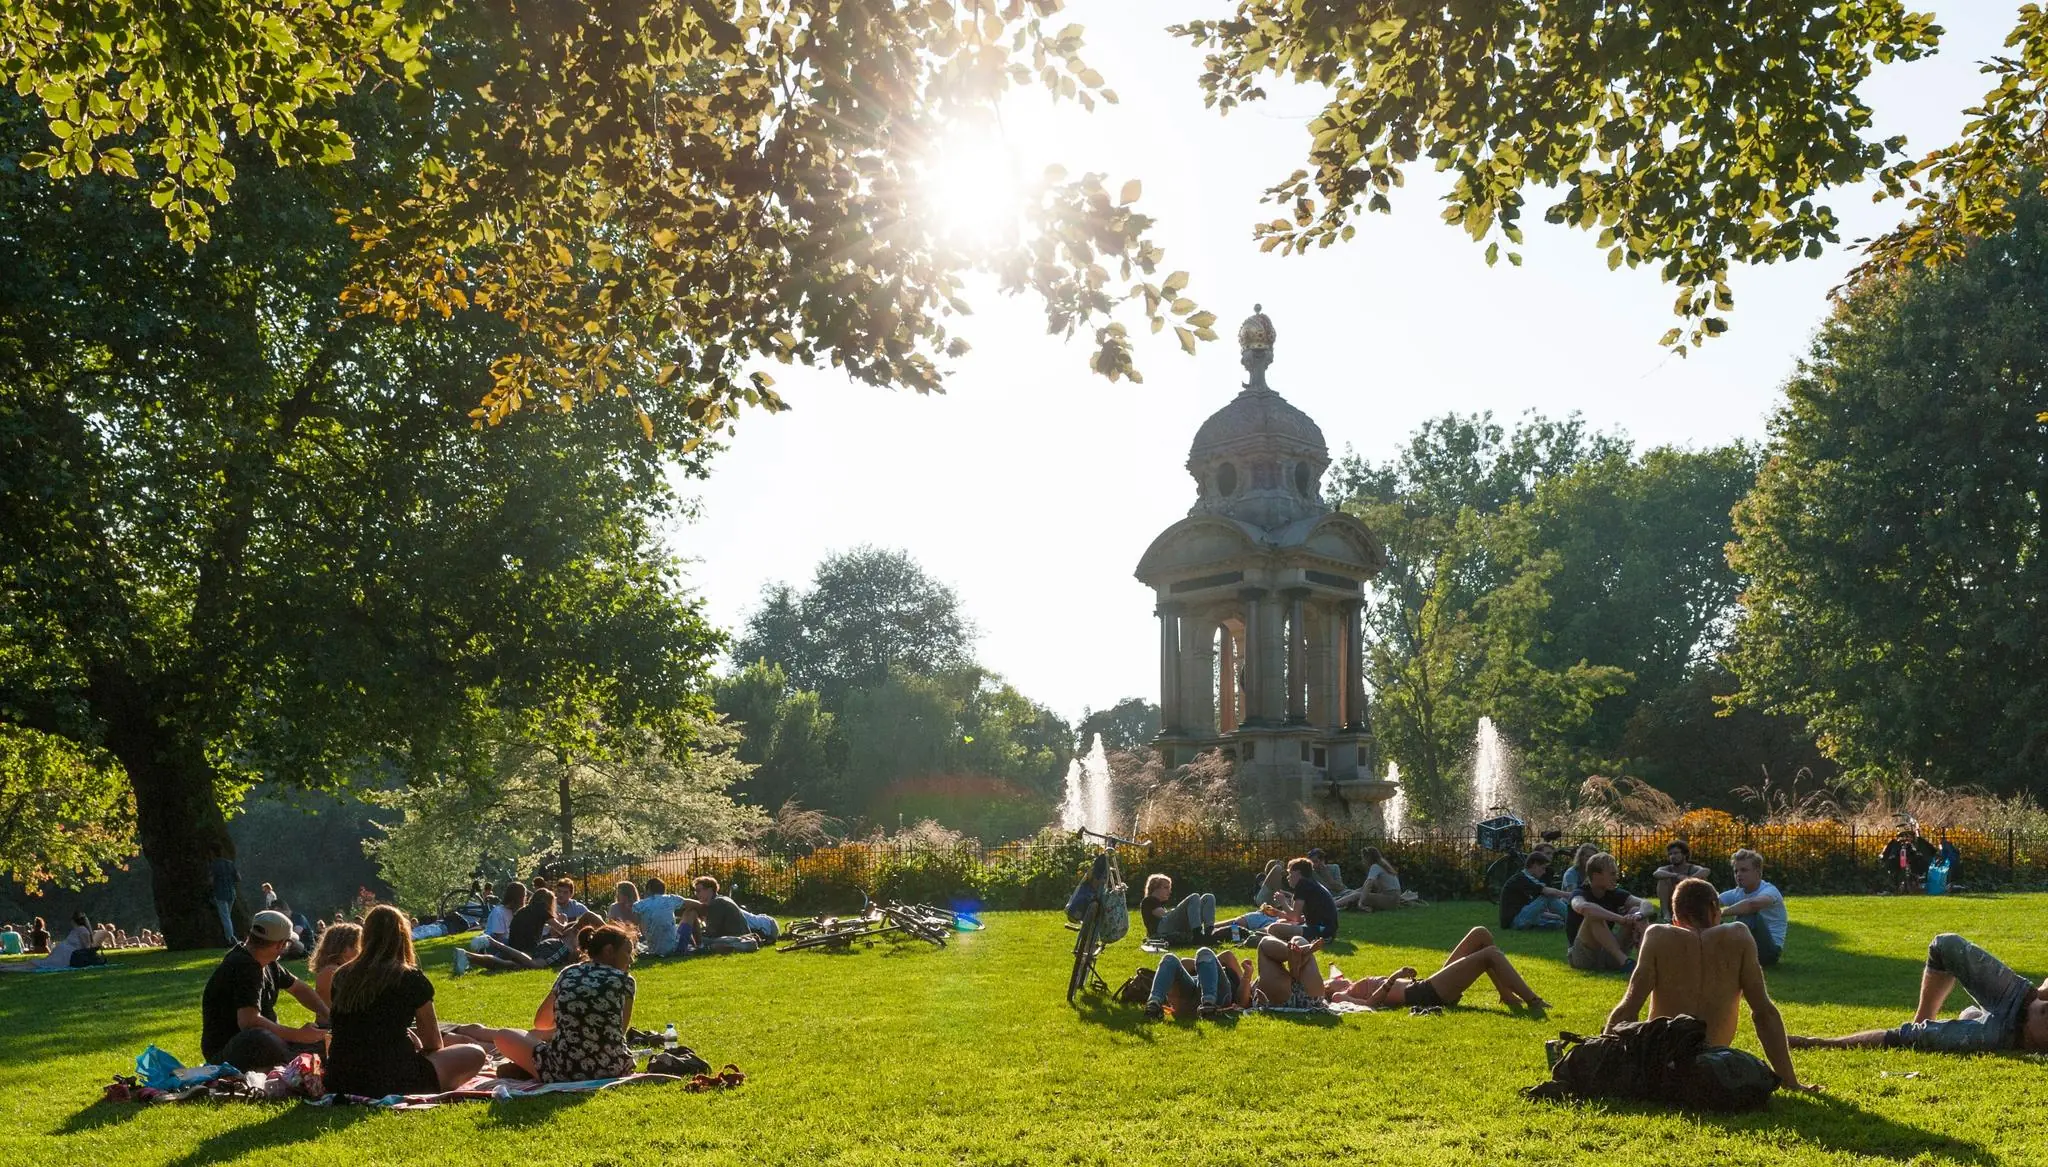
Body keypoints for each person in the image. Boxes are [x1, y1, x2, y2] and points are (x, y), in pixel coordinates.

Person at [1607, 878, 1814, 1090]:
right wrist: (1791, 1082)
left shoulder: (1658, 935)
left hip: (1662, 1066)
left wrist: (1602, 1063)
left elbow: (1629, 1007)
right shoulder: (1738, 935)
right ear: (1715, 909)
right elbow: (1764, 1012)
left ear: (1676, 918)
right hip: (1714, 1070)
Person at [1788, 932, 2048, 1055]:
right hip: (2020, 996)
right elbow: (2044, 992)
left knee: (1913, 1037)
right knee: (1946, 944)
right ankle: (1925, 1015)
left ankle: (1821, 1042)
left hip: (2009, 1037)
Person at [326, 905, 486, 1096]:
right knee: (474, 1052)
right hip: (394, 1079)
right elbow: (433, 1043)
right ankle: (438, 1083)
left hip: (340, 1078)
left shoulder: (342, 976)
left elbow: (360, 1023)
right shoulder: (409, 978)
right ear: (403, 936)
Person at [483, 923, 640, 1082]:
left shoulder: (569, 973)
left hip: (562, 1070)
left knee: (504, 1035)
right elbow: (620, 1031)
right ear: (609, 951)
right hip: (611, 1068)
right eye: (628, 952)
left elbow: (541, 1023)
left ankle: (531, 1068)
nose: (631, 959)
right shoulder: (625, 981)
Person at [198, 910, 328, 1068]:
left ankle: (307, 1056)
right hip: (230, 1052)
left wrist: (328, 1013)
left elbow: (299, 988)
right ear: (280, 945)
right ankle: (300, 1062)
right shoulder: (244, 966)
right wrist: (299, 1035)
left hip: (267, 1043)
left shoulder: (266, 961)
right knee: (259, 1037)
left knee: (319, 1039)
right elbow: (249, 1021)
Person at [1326, 926, 1549, 1011]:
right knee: (1490, 955)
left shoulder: (1343, 982)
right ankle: (1533, 1001)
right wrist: (1393, 977)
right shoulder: (1338, 995)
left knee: (1480, 934)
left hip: (1426, 983)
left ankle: (1506, 995)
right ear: (1326, 989)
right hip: (1425, 994)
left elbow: (1334, 972)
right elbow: (1369, 1004)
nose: (1340, 978)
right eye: (1327, 981)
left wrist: (1332, 965)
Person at [458, 886, 577, 972]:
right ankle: (470, 956)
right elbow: (561, 929)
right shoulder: (542, 910)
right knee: (516, 965)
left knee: (507, 964)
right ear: (548, 903)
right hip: (527, 948)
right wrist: (565, 920)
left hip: (513, 944)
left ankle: (469, 957)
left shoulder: (524, 910)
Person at [1567, 853, 1649, 972]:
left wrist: (1638, 916)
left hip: (1608, 954)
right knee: (1594, 914)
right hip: (1583, 957)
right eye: (1612, 874)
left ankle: (1644, 961)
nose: (1616, 877)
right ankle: (1625, 962)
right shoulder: (1579, 893)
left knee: (1636, 911)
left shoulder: (1615, 893)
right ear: (1596, 875)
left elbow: (1646, 904)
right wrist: (1620, 919)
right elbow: (1584, 907)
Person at [1137, 946, 1254, 1018]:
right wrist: (1204, 966)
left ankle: (1209, 1004)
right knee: (1169, 958)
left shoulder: (1230, 965)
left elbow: (1243, 1002)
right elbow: (1183, 963)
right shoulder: (1224, 959)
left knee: (1204, 952)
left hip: (1218, 996)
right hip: (1195, 989)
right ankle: (1153, 1003)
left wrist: (1247, 976)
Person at [1719, 848, 1788, 967]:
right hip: (1749, 949)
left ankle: (1730, 956)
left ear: (1758, 873)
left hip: (1768, 952)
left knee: (1750, 914)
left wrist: (1720, 913)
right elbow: (1712, 901)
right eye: (1736, 871)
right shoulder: (1737, 892)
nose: (1739, 874)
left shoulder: (1770, 891)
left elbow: (1752, 905)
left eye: (1744, 870)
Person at [1264, 857, 1339, 942]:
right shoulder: (1310, 883)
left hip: (1322, 930)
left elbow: (1295, 917)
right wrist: (1279, 913)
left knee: (1273, 928)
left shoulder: (1302, 884)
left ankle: (1278, 941)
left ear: (1298, 873)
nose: (1288, 877)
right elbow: (1299, 918)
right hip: (1326, 929)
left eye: (1290, 873)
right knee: (1281, 922)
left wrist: (1282, 902)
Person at [0, 912, 98, 972]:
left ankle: (6, 966)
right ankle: (7, 967)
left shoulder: (76, 930)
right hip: (67, 953)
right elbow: (87, 947)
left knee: (39, 964)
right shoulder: (83, 930)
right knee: (41, 966)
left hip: (62, 949)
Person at [1499, 851, 1571, 930]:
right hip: (1516, 921)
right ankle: (1574, 919)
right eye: (1543, 868)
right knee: (1547, 895)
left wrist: (1555, 916)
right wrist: (1569, 894)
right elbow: (1547, 892)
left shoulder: (1525, 878)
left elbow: (1536, 908)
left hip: (1518, 920)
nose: (1544, 872)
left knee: (1558, 924)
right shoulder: (1522, 878)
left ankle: (1569, 920)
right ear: (1535, 865)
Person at [1138, 874, 1215, 946]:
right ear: (1155, 888)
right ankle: (1197, 934)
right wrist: (1182, 910)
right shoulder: (1149, 900)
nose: (1169, 891)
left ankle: (1208, 933)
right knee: (1194, 897)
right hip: (1160, 929)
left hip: (1169, 927)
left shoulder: (1159, 904)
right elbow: (1163, 915)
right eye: (1166, 888)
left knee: (1208, 897)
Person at [631, 877, 692, 957]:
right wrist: (704, 906)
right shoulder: (669, 899)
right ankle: (699, 945)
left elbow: (634, 926)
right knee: (691, 912)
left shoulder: (639, 905)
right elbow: (696, 904)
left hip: (653, 948)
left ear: (648, 890)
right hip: (673, 947)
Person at [1650, 841, 1711, 922]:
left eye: (1675, 853)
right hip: (1671, 901)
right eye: (1670, 854)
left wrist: (1689, 879)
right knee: (1662, 881)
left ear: (1685, 854)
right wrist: (1676, 876)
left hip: (1689, 900)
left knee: (1702, 880)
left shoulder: (1692, 868)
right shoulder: (1667, 869)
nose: (1672, 856)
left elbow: (1706, 871)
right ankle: (1666, 914)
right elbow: (1656, 873)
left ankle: (1701, 912)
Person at [693, 876, 757, 950]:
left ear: (709, 890)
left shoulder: (716, 904)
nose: (696, 894)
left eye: (698, 891)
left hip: (735, 938)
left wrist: (697, 931)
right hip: (740, 935)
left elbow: (711, 932)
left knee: (696, 938)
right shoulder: (720, 900)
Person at [309, 920, 363, 1010]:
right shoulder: (330, 971)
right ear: (343, 948)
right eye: (357, 946)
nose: (360, 951)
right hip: (329, 1023)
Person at [1335, 846, 1404, 912]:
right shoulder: (1383, 866)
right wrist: (1352, 893)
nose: (1363, 861)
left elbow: (1369, 884)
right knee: (1356, 894)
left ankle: (1333, 905)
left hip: (1390, 899)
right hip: (1394, 899)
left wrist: (1361, 902)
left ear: (1368, 858)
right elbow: (1366, 887)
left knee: (1357, 896)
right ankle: (1336, 903)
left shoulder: (1375, 866)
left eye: (1363, 858)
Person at [1880, 822, 1939, 895]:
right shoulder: (1896, 845)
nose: (1907, 838)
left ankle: (1909, 885)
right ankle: (1900, 886)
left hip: (1913, 864)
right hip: (1900, 864)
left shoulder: (1916, 844)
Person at [209, 848, 240, 946]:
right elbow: (238, 877)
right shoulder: (230, 864)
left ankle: (230, 938)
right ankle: (230, 936)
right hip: (231, 893)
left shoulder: (214, 865)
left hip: (220, 893)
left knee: (225, 917)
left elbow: (211, 881)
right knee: (228, 917)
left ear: (213, 853)